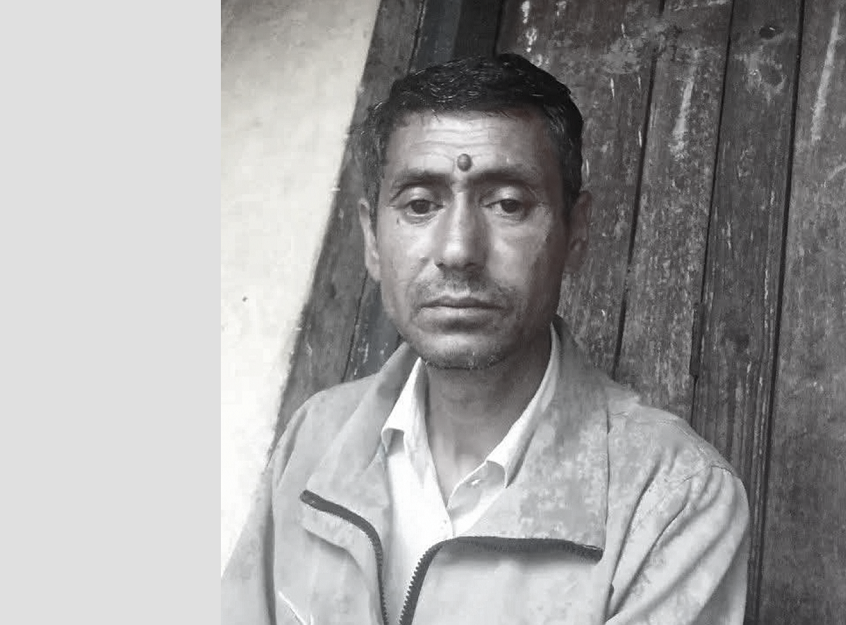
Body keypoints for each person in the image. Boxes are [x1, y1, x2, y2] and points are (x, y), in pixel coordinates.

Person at [222, 53, 750, 625]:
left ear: (575, 233)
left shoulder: (671, 500)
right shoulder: (316, 439)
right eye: (420, 205)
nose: (458, 251)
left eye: (507, 205)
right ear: (371, 240)